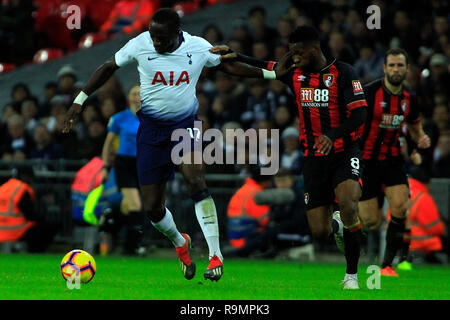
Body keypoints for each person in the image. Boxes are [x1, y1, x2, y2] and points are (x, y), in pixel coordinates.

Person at [63, 8, 291, 281]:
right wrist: (79, 100)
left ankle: (215, 254)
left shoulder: (197, 46)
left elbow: (228, 65)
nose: (156, 43)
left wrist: (271, 75)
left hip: (185, 127)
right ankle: (180, 242)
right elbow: (108, 66)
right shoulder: (140, 43)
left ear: (177, 33)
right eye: (154, 37)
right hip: (150, 132)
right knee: (152, 208)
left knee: (195, 179)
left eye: (162, 38)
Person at [213, 25, 368, 289]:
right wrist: (235, 55)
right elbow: (263, 65)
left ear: (314, 49)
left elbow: (360, 114)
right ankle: (338, 225)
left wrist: (333, 134)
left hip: (344, 152)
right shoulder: (293, 74)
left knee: (348, 203)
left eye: (298, 52)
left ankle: (351, 275)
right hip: (313, 158)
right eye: (291, 52)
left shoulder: (343, 73)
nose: (293, 58)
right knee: (319, 232)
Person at [357, 48, 431, 277]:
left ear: (407, 69)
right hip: (366, 161)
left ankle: (387, 265)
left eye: (400, 65)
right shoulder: (369, 93)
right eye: (392, 65)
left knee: (400, 207)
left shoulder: (410, 98)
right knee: (370, 222)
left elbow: (414, 125)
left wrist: (420, 139)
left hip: (392, 160)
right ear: (384, 68)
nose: (396, 70)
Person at [101, 85, 145, 255]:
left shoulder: (150, 118)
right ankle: (133, 246)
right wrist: (106, 167)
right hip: (124, 163)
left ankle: (108, 224)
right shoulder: (119, 118)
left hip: (142, 163)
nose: (137, 96)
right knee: (136, 204)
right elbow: (108, 144)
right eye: (134, 93)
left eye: (140, 94)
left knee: (128, 207)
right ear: (128, 97)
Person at [0, 165, 56, 252]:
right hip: (14, 230)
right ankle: (33, 252)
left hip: (1, 230)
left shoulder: (4, 187)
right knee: (47, 227)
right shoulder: (22, 189)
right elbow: (29, 213)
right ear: (25, 176)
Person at [226, 165, 271, 254]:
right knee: (272, 230)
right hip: (245, 238)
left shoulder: (244, 189)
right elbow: (264, 220)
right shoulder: (257, 193)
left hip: (234, 236)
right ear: (264, 181)